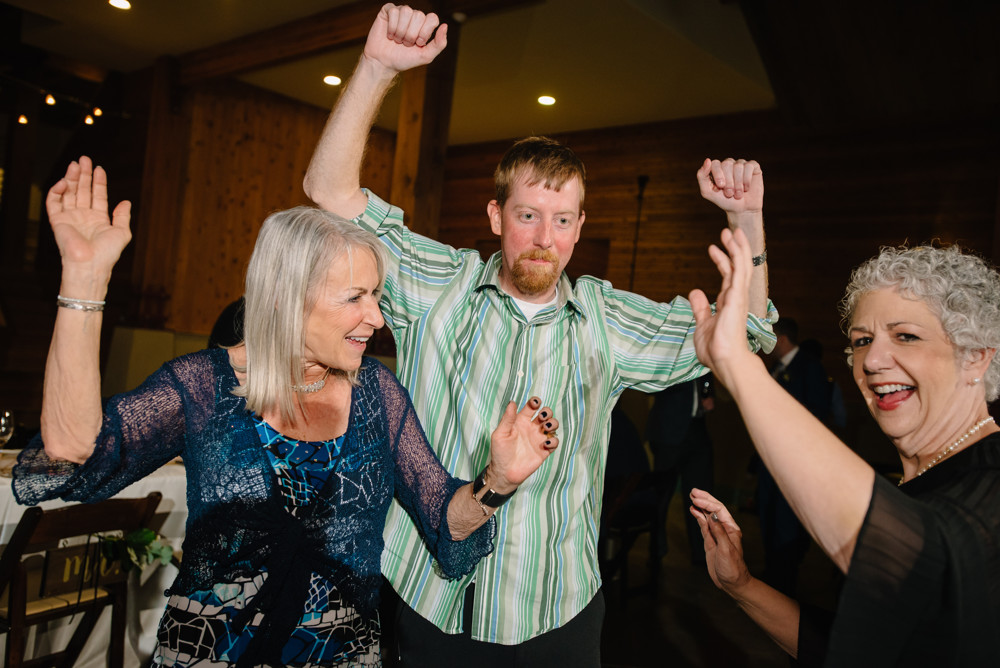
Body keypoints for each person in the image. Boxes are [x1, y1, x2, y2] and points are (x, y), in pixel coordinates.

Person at [302, 5, 777, 664]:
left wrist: (747, 220)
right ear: (497, 215)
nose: (544, 238)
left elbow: (747, 337)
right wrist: (378, 66)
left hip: (555, 609)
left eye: (561, 220)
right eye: (528, 214)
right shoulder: (439, 283)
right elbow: (328, 189)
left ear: (580, 228)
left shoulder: (607, 320)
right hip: (427, 594)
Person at [13, 156, 561, 667]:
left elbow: (446, 519)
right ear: (284, 297)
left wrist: (498, 482)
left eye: (376, 295)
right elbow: (71, 451)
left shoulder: (377, 393)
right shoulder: (201, 387)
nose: (376, 316)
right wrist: (84, 281)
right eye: (355, 297)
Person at [687, 235, 1000, 666]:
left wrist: (738, 365)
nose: (872, 361)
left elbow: (924, 563)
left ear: (977, 358)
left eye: (906, 336)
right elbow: (859, 647)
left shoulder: (990, 480)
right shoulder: (916, 481)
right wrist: (742, 585)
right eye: (862, 340)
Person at [756, 316, 831, 595]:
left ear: (782, 338)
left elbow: (818, 412)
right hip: (769, 456)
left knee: (786, 522)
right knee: (767, 514)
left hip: (795, 460)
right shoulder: (775, 367)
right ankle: (771, 572)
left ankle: (784, 582)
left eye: (770, 339)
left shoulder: (810, 368)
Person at [647, 374, 715, 565]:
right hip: (668, 433)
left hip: (698, 431)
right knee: (661, 498)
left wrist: (710, 398)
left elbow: (709, 384)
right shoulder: (670, 348)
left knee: (701, 498)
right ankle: (656, 551)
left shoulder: (704, 351)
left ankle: (703, 555)